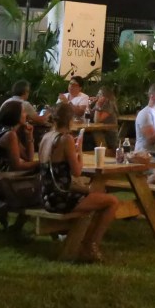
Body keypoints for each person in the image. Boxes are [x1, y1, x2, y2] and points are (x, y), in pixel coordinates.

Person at [38, 103, 118, 263]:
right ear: (70, 119)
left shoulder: (46, 137)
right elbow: (77, 171)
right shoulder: (65, 138)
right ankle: (90, 244)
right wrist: (78, 150)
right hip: (61, 197)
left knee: (95, 195)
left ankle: (84, 241)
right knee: (112, 202)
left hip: (46, 194)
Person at [0, 99, 38, 222]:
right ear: (15, 115)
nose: (26, 115)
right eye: (23, 112)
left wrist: (29, 136)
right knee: (39, 178)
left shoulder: (5, 131)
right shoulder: (10, 135)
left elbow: (28, 158)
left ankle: (18, 226)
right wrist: (43, 163)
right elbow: (18, 166)